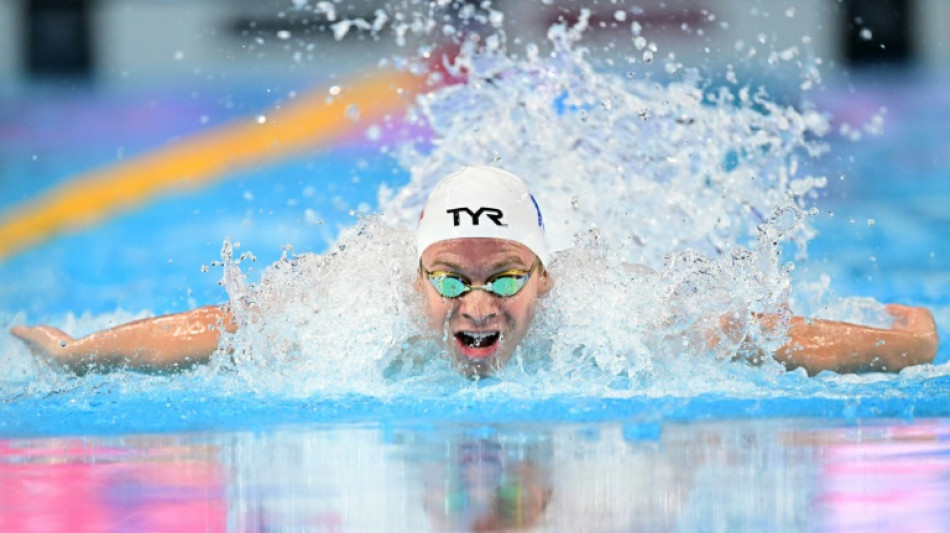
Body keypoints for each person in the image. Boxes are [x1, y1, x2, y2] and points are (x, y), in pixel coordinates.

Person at [9, 166, 939, 377]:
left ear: (547, 278)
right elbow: (218, 325)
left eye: (505, 276)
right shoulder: (352, 315)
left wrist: (905, 344)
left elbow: (762, 334)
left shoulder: (615, 316)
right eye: (450, 279)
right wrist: (82, 353)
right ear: (416, 280)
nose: (479, 302)